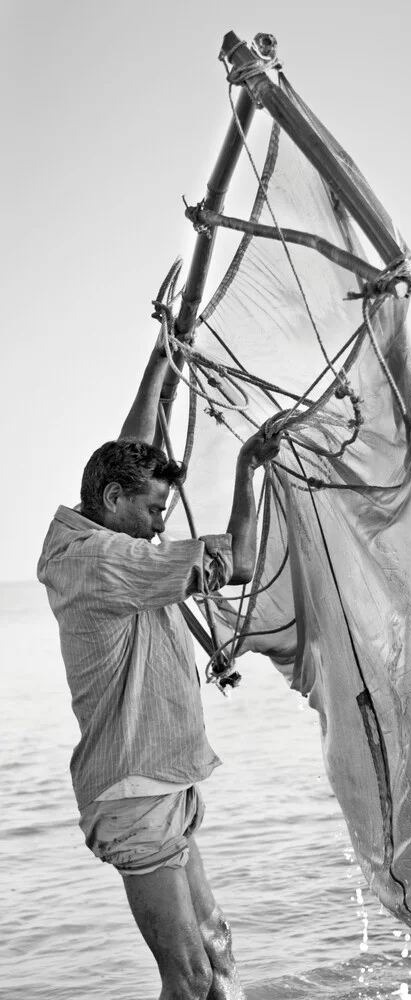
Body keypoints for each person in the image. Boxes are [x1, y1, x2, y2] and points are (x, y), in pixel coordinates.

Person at [37, 334, 280, 1000]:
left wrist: (158, 363)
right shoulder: (106, 562)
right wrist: (247, 471)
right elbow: (242, 560)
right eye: (151, 511)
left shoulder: (91, 528)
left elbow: (133, 449)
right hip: (132, 792)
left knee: (217, 949)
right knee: (190, 974)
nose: (157, 526)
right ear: (113, 500)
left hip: (161, 776)